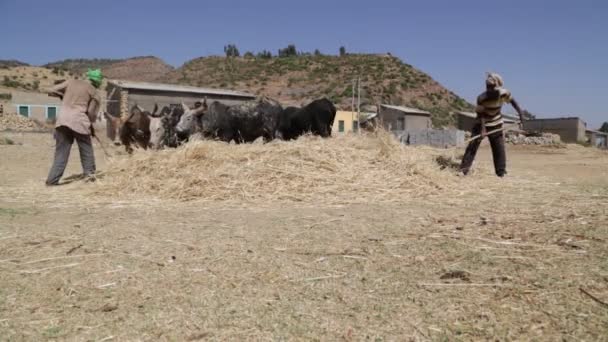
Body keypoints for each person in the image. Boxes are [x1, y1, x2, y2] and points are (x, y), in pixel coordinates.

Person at [460, 73, 526, 177]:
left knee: (498, 148)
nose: (489, 89)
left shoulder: (503, 93)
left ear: (497, 87)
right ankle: (463, 170)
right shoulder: (482, 97)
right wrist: (483, 129)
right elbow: (480, 114)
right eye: (488, 87)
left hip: (496, 123)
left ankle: (500, 172)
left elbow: (513, 102)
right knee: (472, 146)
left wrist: (521, 114)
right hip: (481, 124)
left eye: (492, 87)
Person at [45, 69, 103, 185]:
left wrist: (63, 95)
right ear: (97, 82)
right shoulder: (94, 92)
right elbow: (91, 113)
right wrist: (91, 125)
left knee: (61, 152)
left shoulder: (71, 82)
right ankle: (90, 177)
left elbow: (50, 89)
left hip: (62, 120)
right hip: (79, 122)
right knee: (86, 151)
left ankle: (52, 180)